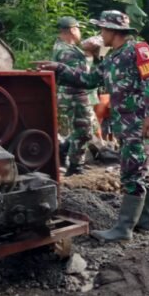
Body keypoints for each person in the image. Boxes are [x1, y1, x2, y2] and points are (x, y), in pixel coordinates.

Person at [35, 10, 149, 241]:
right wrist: (59, 68)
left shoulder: (138, 49)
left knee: (131, 173)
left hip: (138, 121)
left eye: (103, 29)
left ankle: (123, 230)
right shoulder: (112, 57)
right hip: (124, 122)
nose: (100, 34)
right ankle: (145, 221)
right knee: (140, 169)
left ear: (114, 30)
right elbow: (90, 80)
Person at [52, 16, 94, 177]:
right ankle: (75, 165)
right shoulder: (66, 51)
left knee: (80, 129)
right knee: (84, 131)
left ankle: (65, 151)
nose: (80, 32)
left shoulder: (67, 48)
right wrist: (90, 55)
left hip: (72, 94)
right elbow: (82, 75)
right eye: (78, 28)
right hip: (74, 94)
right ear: (72, 30)